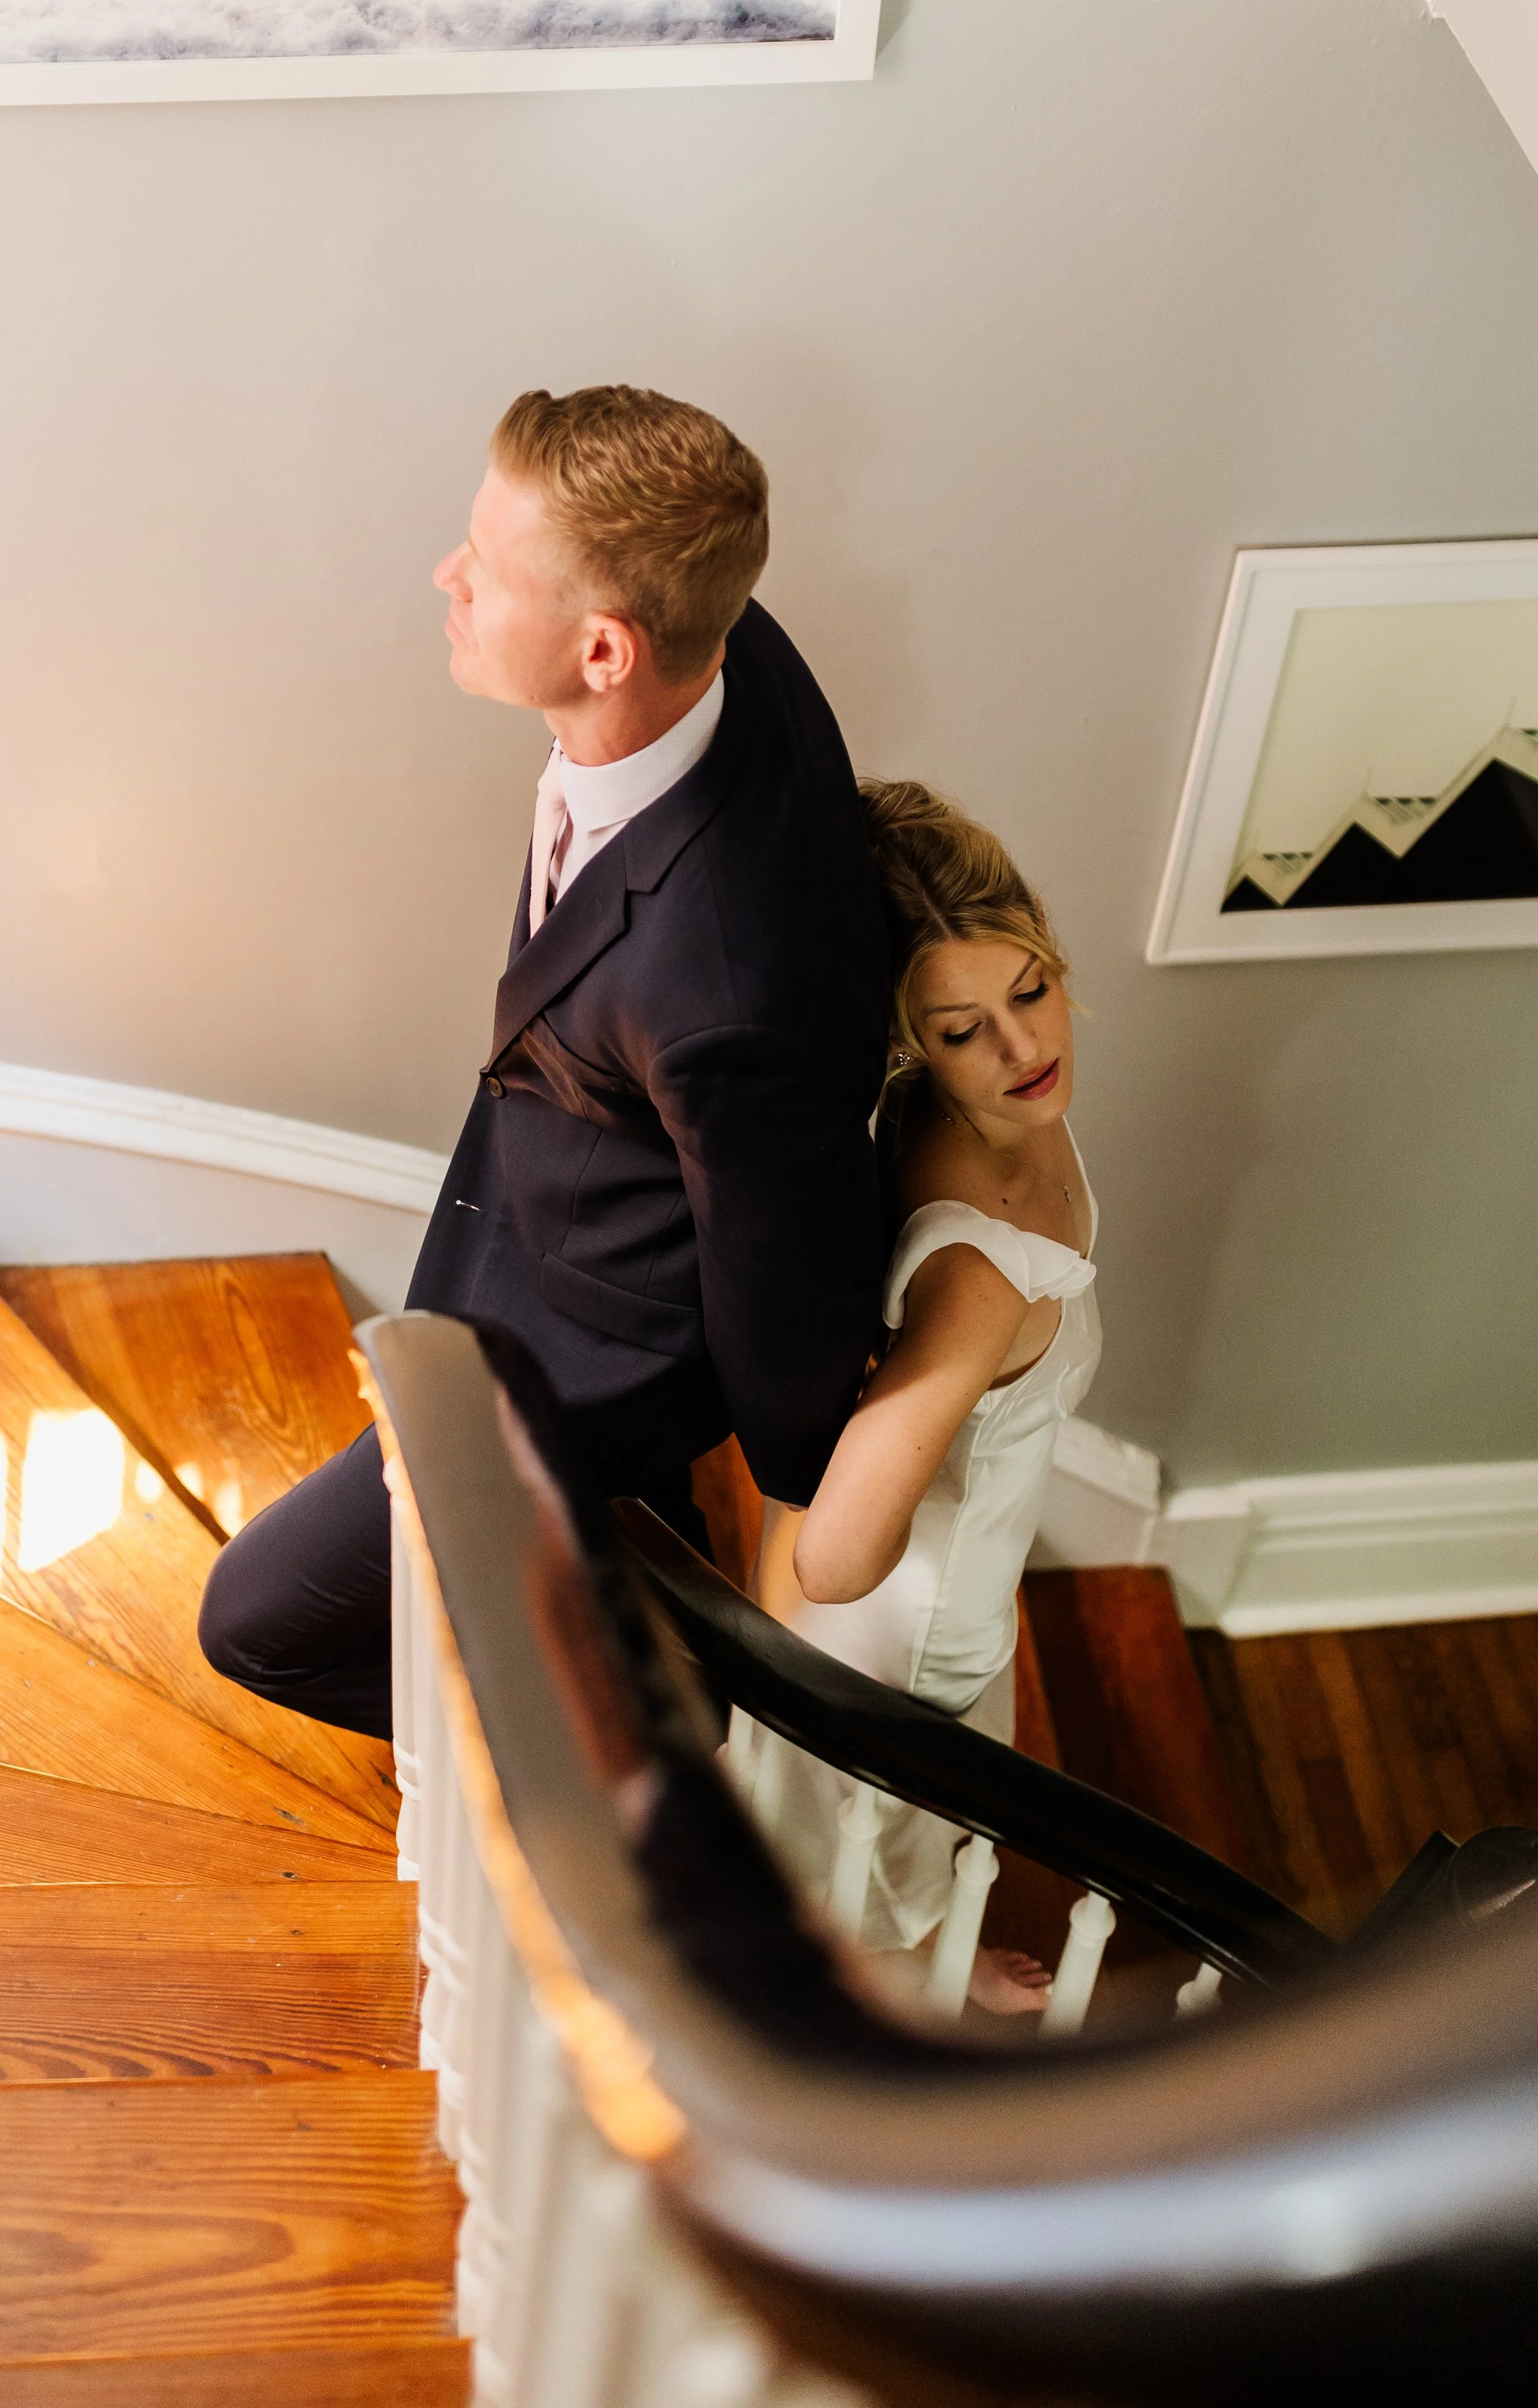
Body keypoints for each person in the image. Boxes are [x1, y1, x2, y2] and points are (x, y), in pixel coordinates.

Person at [199, 385, 890, 1740]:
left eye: (486, 566)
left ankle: (616, 1736)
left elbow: (782, 1271)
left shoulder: (723, 989)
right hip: (534, 1206)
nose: (446, 577)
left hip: (586, 1367)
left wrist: (799, 1484)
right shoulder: (723, 641)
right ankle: (622, 1607)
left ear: (604, 651)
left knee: (255, 1626)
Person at [757, 779, 1102, 2014]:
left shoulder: (985, 1113)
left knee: (893, 1826)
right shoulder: (976, 1281)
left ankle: (894, 1955)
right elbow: (837, 1558)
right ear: (907, 1039)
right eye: (963, 1031)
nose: (1022, 1051)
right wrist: (787, 1560)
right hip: (912, 1627)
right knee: (874, 1842)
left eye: (1030, 990)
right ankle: (888, 1981)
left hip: (964, 1572)